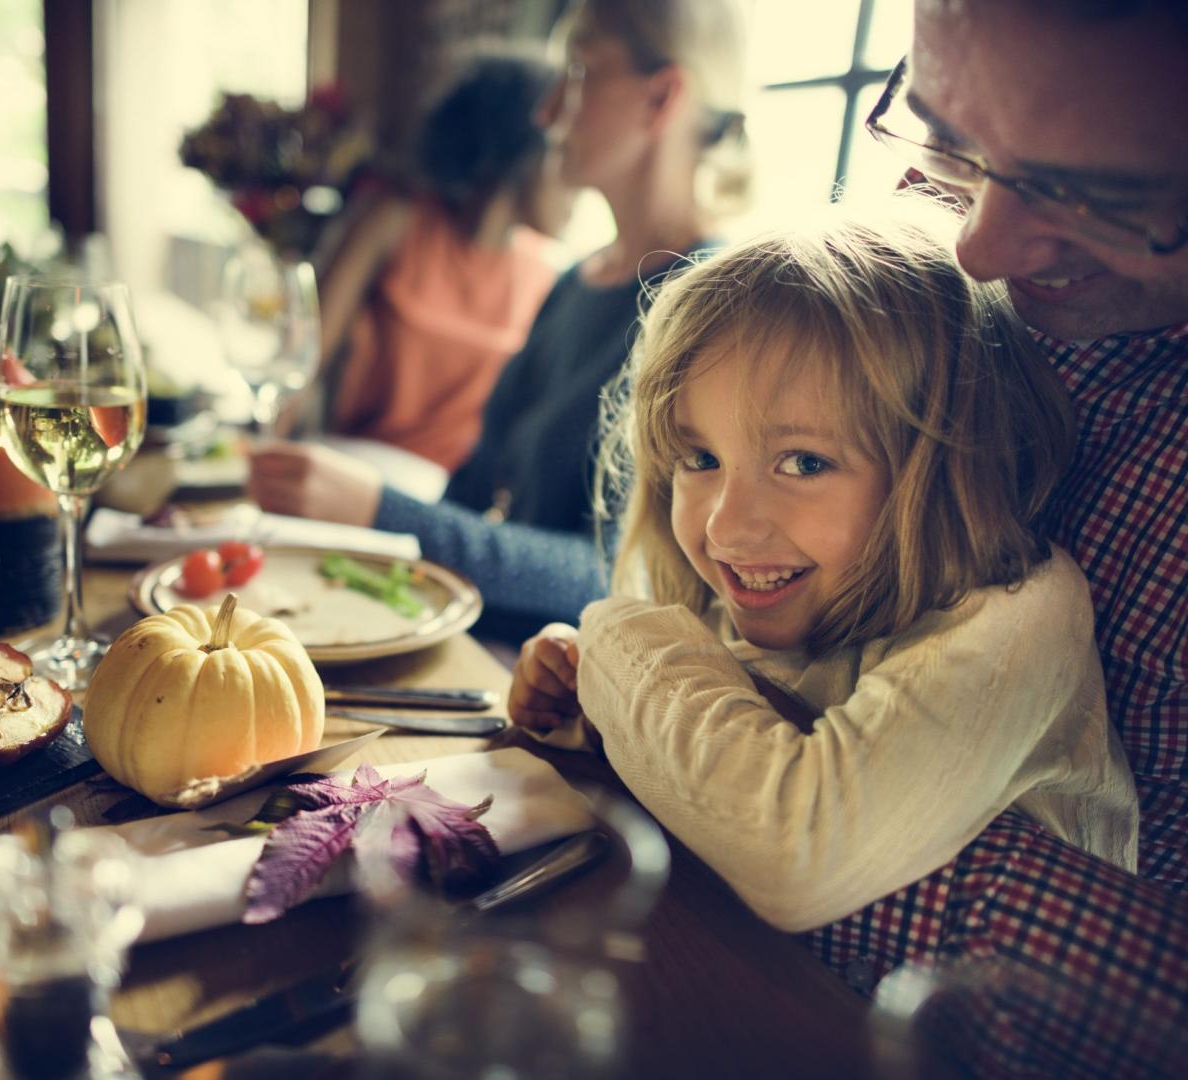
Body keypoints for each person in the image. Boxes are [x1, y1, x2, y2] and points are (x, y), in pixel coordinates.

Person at [508, 204, 1138, 931]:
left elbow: (795, 852)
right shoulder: (779, 585)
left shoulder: (1019, 615)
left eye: (804, 462)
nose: (726, 524)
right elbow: (703, 758)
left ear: (944, 469)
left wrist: (615, 641)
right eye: (700, 459)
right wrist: (580, 705)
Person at [249, 0, 750, 644]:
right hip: (468, 646)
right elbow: (469, 492)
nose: (545, 114)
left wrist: (376, 507)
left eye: (578, 73)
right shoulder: (575, 284)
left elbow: (618, 576)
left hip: (565, 687)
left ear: (661, 98)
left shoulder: (711, 305)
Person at [309, 51, 568, 472]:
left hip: (455, 506)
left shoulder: (550, 277)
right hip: (358, 468)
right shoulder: (393, 219)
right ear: (521, 150)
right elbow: (303, 360)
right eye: (561, 149)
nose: (574, 180)